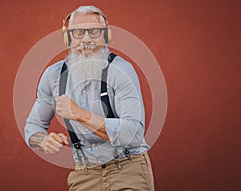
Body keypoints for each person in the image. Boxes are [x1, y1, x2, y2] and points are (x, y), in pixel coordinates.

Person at [24, 5, 155, 191]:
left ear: (106, 35)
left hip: (127, 169)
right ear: (67, 38)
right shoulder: (53, 76)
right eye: (78, 33)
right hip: (84, 175)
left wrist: (79, 114)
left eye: (94, 32)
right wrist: (42, 141)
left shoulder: (121, 71)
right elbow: (33, 127)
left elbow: (133, 135)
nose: (86, 39)